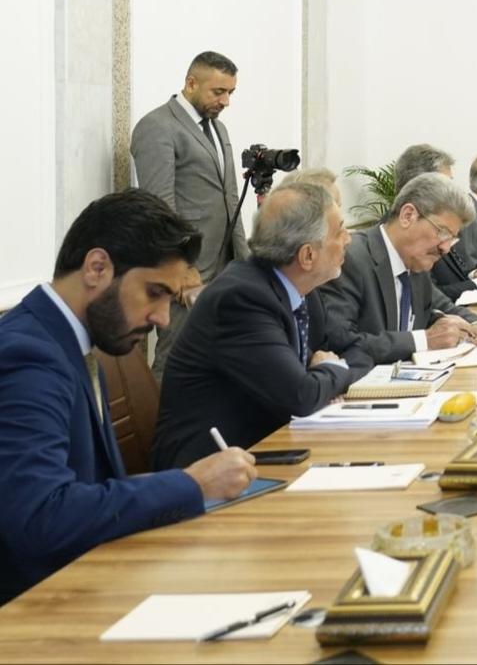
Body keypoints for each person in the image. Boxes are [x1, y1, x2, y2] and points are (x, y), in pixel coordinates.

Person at [0, 190, 256, 605]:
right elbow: (40, 517)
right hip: (39, 611)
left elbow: (90, 489)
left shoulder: (72, 343)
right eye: (154, 293)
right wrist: (192, 483)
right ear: (97, 268)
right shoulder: (29, 356)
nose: (163, 318)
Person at [153, 181, 373, 469]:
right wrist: (333, 368)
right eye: (340, 231)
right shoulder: (241, 299)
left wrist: (325, 374)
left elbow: (356, 351)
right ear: (307, 255)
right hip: (211, 471)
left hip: (271, 449)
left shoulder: (300, 290)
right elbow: (301, 396)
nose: (349, 239)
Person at [128, 50, 248, 379]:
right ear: (191, 83)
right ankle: (155, 415)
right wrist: (181, 266)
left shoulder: (219, 129)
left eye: (231, 92)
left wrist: (244, 259)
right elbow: (159, 206)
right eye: (218, 92)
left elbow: (231, 198)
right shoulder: (157, 127)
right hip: (186, 274)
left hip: (225, 268)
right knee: (175, 359)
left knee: (218, 361)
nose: (226, 101)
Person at [318, 172, 477, 364]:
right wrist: (424, 340)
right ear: (408, 216)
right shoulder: (351, 259)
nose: (445, 248)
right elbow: (340, 343)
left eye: (452, 239)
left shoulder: (416, 263)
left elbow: (443, 308)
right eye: (442, 232)